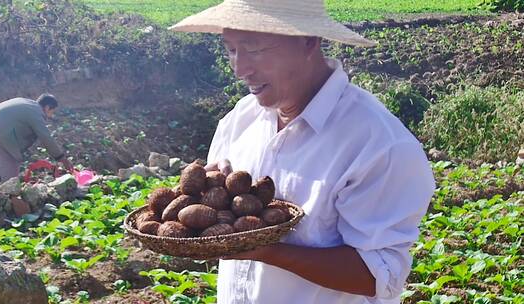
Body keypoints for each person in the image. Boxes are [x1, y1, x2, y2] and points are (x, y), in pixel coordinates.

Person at [171, 1, 436, 303]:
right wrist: (209, 194)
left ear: (309, 40)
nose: (240, 68)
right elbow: (220, 215)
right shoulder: (239, 120)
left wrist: (269, 251)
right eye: (231, 49)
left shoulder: (377, 143)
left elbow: (377, 276)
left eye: (254, 48)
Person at [0, 94, 73, 188]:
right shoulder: (36, 112)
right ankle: (10, 195)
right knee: (10, 162)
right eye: (52, 112)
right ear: (47, 107)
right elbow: (46, 137)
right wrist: (61, 158)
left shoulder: (26, 103)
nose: (51, 115)